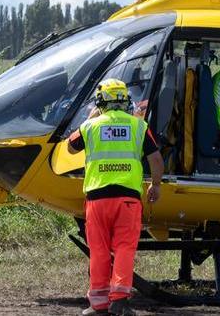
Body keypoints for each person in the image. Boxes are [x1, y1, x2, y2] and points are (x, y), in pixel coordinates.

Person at [67, 78, 163, 316]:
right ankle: (119, 301)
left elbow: (70, 147)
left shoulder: (90, 127)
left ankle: (98, 303)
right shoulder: (139, 126)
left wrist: (89, 119)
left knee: (98, 250)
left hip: (97, 199)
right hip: (128, 199)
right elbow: (156, 160)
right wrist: (156, 185)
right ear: (125, 101)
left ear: (100, 102)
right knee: (124, 248)